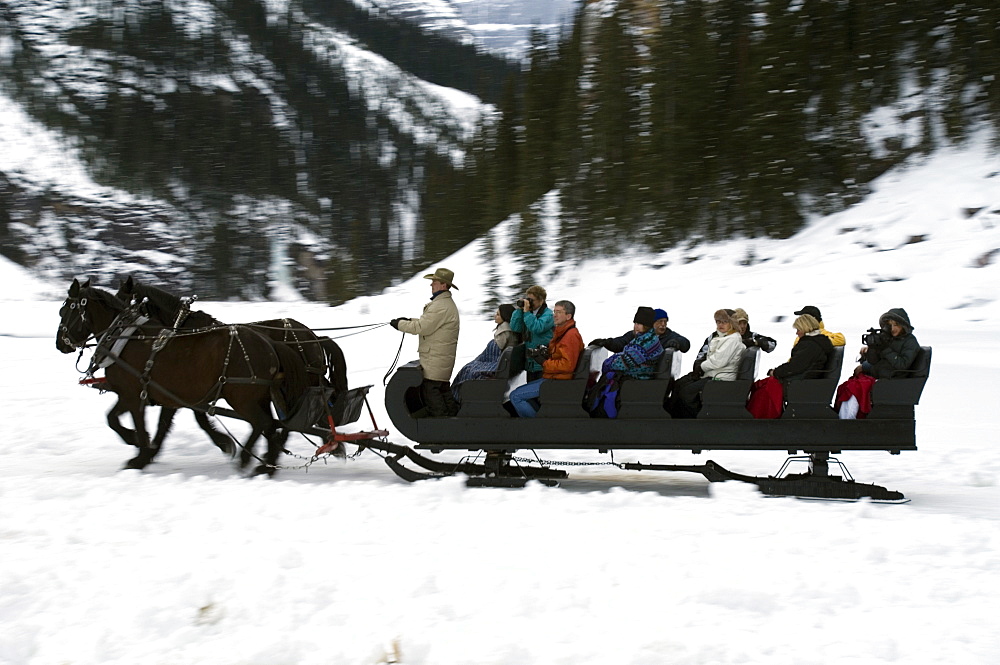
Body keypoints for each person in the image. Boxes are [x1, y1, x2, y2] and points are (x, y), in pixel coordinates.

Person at [390, 268, 460, 417]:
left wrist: (399, 325)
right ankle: (453, 423)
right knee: (443, 391)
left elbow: (422, 327)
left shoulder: (440, 306)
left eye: (434, 282)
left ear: (443, 284)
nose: (431, 285)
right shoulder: (444, 304)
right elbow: (428, 323)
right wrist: (408, 321)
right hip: (439, 359)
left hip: (436, 359)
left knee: (431, 392)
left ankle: (442, 426)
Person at [836, 308, 920, 419]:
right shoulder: (888, 339)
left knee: (856, 388)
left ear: (903, 326)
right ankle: (844, 418)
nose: (893, 328)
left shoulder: (910, 342)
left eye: (896, 325)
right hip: (880, 375)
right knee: (847, 386)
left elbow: (902, 365)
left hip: (893, 380)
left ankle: (848, 420)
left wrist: (885, 349)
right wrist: (872, 349)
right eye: (890, 325)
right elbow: (875, 361)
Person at [746, 314, 833, 418]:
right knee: (764, 384)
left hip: (798, 382)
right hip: (804, 378)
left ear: (805, 328)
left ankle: (760, 415)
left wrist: (776, 372)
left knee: (765, 387)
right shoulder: (818, 342)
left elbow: (795, 366)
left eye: (798, 329)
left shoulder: (810, 345)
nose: (797, 333)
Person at [508, 300, 584, 418]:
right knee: (522, 393)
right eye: (554, 311)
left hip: (558, 381)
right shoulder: (562, 332)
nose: (554, 315)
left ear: (568, 316)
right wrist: (543, 353)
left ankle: (535, 427)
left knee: (515, 396)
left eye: (559, 312)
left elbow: (567, 365)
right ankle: (540, 419)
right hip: (554, 378)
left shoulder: (570, 336)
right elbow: (558, 354)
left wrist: (544, 362)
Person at [585, 307, 664, 418]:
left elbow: (623, 363)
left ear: (647, 325)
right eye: (635, 323)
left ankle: (600, 412)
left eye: (639, 324)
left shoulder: (646, 342)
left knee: (606, 382)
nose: (636, 326)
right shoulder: (644, 337)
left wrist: (610, 361)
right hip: (637, 376)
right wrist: (608, 344)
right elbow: (623, 349)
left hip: (637, 379)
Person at [668, 309, 745, 418]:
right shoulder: (722, 337)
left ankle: (696, 417)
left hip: (721, 378)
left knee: (687, 392)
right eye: (718, 322)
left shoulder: (732, 339)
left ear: (732, 323)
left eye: (724, 322)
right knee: (680, 384)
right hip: (713, 374)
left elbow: (718, 361)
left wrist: (701, 367)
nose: (720, 325)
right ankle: (675, 415)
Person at [451, 304, 522, 401]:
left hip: (498, 365)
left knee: (468, 371)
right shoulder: (506, 329)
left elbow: (495, 352)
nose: (495, 316)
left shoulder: (504, 332)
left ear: (505, 317)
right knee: (468, 367)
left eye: (498, 314)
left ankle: (457, 397)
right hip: (501, 362)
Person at [590, 308, 690, 353]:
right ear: (652, 323)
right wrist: (606, 342)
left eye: (665, 322)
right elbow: (620, 343)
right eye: (660, 321)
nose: (663, 325)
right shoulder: (636, 335)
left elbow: (686, 343)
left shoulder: (669, 335)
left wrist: (677, 342)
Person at [510, 285, 554, 382]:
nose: (529, 302)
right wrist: (519, 310)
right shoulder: (528, 313)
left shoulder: (549, 314)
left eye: (532, 300)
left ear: (541, 300)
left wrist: (526, 313)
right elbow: (515, 327)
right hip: (530, 362)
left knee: (541, 393)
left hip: (543, 362)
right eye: (528, 299)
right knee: (530, 392)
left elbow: (537, 328)